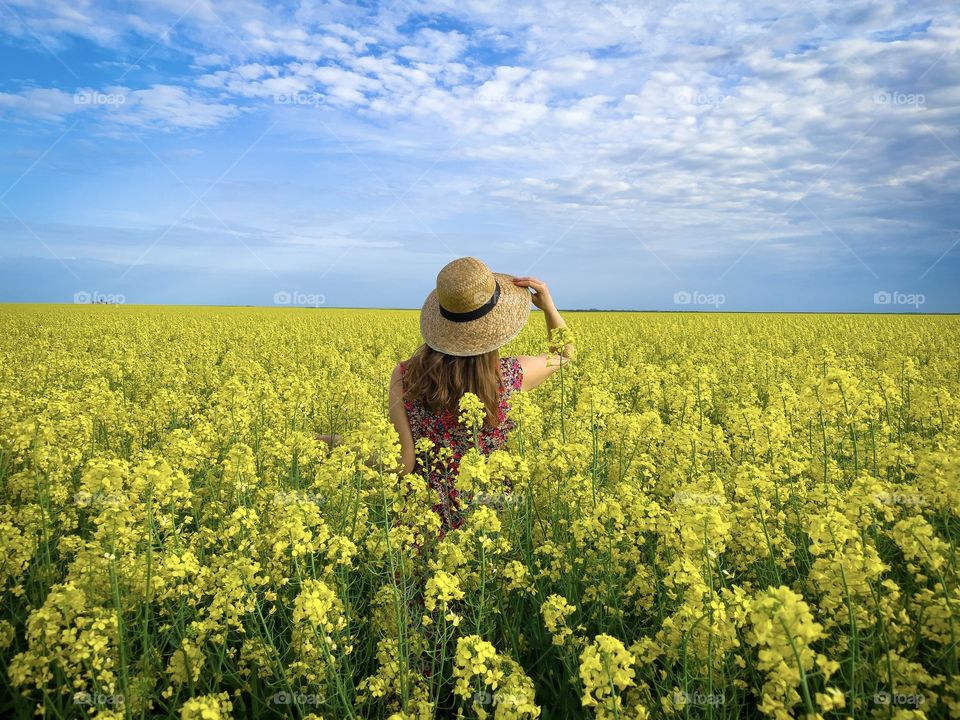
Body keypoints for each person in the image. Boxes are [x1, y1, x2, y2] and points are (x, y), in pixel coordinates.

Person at [389, 256, 575, 534]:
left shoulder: (404, 376)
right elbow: (564, 354)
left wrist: (343, 445)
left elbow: (404, 463)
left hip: (424, 521)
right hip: (491, 518)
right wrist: (548, 305)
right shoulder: (513, 375)